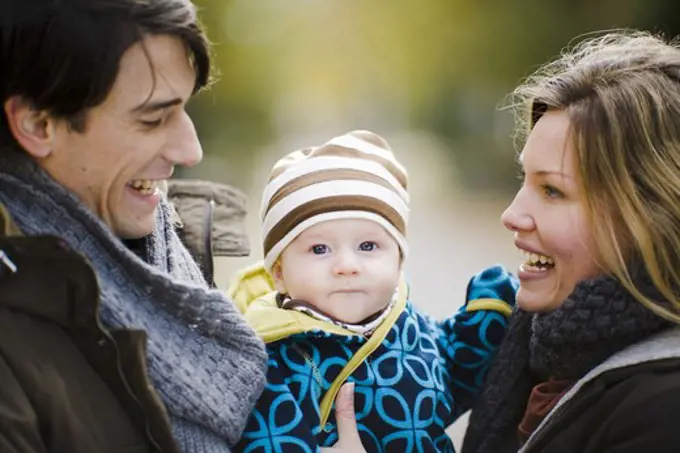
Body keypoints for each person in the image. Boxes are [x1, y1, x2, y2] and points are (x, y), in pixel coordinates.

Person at [0, 1, 270, 451]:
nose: (190, 151)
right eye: (153, 119)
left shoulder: (168, 260)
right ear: (37, 123)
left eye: (185, 108)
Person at [227, 130, 518, 452]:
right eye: (320, 249)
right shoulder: (273, 357)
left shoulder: (409, 326)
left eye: (368, 245)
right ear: (279, 274)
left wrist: (488, 314)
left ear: (398, 261)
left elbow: (453, 377)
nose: (347, 265)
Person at [461, 30, 680, 453]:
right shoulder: (539, 353)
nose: (511, 215)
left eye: (553, 191)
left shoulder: (663, 411)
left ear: (649, 216)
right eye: (524, 180)